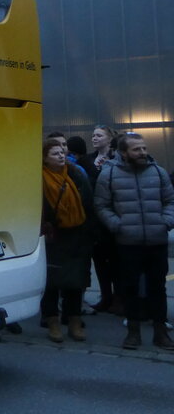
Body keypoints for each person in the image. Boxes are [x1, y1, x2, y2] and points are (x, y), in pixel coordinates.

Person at [93, 131, 174, 350]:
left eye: (144, 148)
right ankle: (133, 333)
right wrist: (117, 225)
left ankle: (160, 333)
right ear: (123, 152)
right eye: (137, 149)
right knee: (129, 289)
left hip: (156, 241)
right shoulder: (109, 174)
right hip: (128, 243)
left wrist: (165, 221)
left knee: (158, 288)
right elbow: (101, 205)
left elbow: (170, 201)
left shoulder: (158, 172)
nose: (143, 152)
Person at [41, 140, 94, 342]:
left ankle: (73, 320)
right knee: (51, 282)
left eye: (62, 152)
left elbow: (88, 202)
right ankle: (52, 321)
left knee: (75, 281)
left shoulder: (76, 174)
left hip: (76, 233)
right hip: (52, 234)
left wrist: (89, 232)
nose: (61, 156)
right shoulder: (39, 178)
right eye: (55, 154)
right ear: (45, 158)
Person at [79, 125, 121, 313]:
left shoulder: (117, 158)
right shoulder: (87, 160)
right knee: (99, 261)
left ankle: (119, 298)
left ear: (109, 138)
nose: (94, 138)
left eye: (98, 135)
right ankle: (106, 297)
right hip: (92, 219)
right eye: (93, 135)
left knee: (116, 260)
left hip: (113, 216)